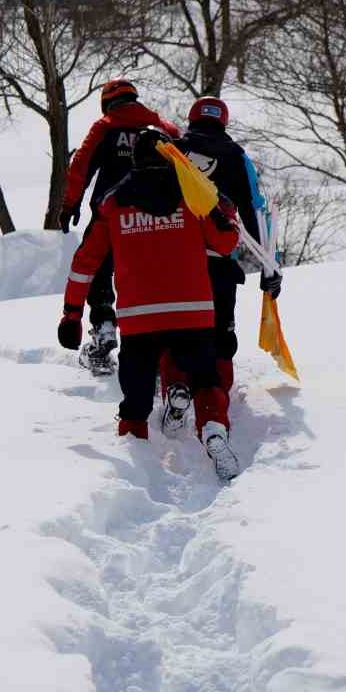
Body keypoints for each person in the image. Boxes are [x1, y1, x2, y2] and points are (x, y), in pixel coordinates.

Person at [57, 127, 243, 481]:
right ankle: (214, 429)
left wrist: (72, 314)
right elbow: (225, 243)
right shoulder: (193, 196)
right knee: (206, 381)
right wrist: (225, 212)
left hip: (139, 319)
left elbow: (85, 263)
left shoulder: (112, 202)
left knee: (136, 403)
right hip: (193, 314)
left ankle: (135, 474)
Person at [157, 96, 280, 435]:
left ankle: (176, 386)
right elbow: (256, 212)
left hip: (175, 265)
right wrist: (271, 267)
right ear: (223, 122)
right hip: (219, 265)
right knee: (221, 336)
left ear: (192, 119)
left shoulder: (172, 151)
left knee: (176, 333)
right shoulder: (238, 158)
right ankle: (214, 406)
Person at [59, 79, 180, 373]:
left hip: (110, 216)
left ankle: (103, 328)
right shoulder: (164, 129)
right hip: (160, 220)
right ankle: (159, 348)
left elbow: (81, 165)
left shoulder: (105, 127)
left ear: (107, 102)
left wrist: (69, 204)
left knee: (98, 269)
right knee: (150, 280)